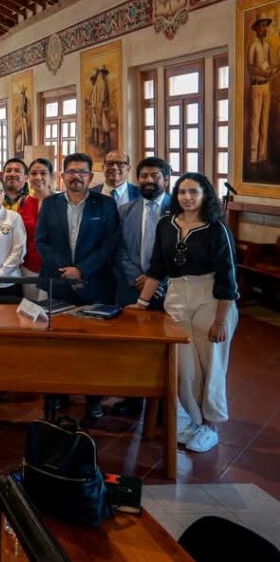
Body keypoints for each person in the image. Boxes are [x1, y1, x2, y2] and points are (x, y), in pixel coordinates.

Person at [129, 173, 238, 453]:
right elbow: (156, 268)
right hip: (176, 297)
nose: (187, 198)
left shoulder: (216, 228)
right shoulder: (167, 223)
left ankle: (211, 426)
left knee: (211, 365)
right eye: (182, 192)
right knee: (184, 369)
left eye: (194, 192)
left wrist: (220, 320)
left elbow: (228, 277)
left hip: (211, 299)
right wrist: (141, 304)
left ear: (205, 196)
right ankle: (194, 421)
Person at [36, 152, 120, 421]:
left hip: (94, 283)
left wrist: (82, 270)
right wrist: (66, 272)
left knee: (92, 346)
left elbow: (110, 243)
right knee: (56, 344)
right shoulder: (50, 204)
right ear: (62, 175)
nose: (76, 176)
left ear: (90, 177)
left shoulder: (105, 205)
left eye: (82, 172)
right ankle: (57, 394)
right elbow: (42, 241)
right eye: (71, 171)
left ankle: (93, 398)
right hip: (58, 284)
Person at [115, 157, 172, 308]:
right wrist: (137, 277)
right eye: (144, 176)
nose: (149, 180)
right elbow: (119, 248)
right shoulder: (125, 210)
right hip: (132, 287)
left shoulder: (178, 210)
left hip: (167, 290)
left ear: (166, 180)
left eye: (155, 176)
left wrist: (156, 280)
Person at [18, 158, 56, 301]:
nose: (38, 177)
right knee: (30, 309)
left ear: (51, 176)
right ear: (28, 177)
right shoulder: (23, 202)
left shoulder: (60, 202)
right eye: (33, 173)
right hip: (28, 267)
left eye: (43, 173)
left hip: (53, 268)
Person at [247, 13, 274, 164]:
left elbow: (270, 65)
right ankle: (253, 155)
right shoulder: (253, 45)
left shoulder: (268, 47)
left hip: (266, 86)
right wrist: (263, 72)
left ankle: (262, 155)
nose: (265, 29)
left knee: (265, 121)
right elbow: (250, 67)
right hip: (256, 86)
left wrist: (270, 73)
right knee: (255, 121)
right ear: (257, 28)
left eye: (266, 25)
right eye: (262, 25)